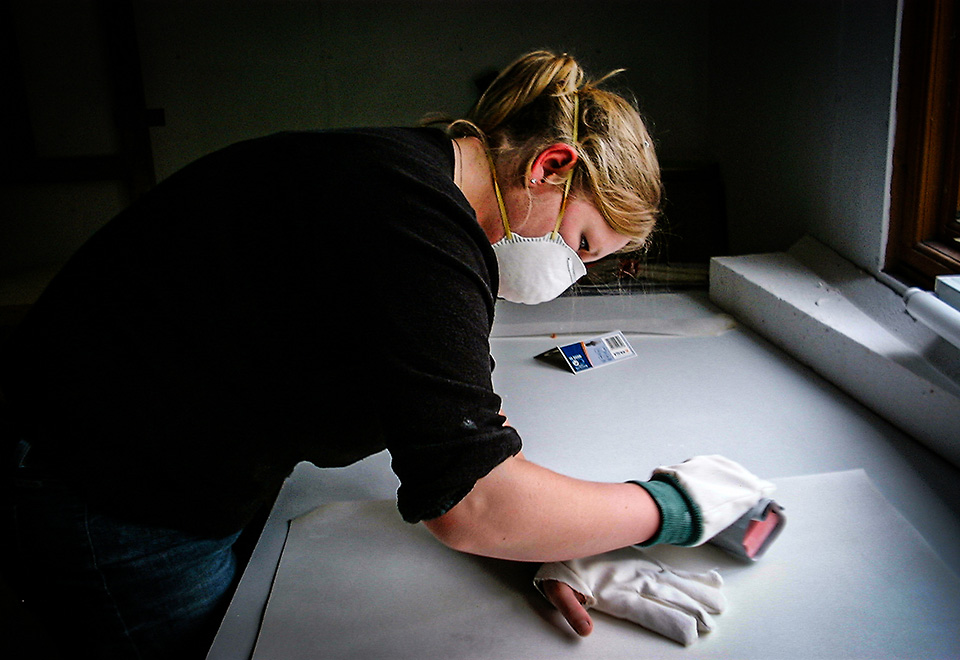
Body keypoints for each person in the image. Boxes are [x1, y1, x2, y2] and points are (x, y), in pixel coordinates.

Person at [0, 50, 766, 658]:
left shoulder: (416, 182)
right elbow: (473, 501)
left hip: (159, 446)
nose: (570, 277)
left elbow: (456, 443)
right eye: (582, 245)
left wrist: (551, 544)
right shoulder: (418, 228)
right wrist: (672, 509)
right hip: (111, 490)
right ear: (550, 167)